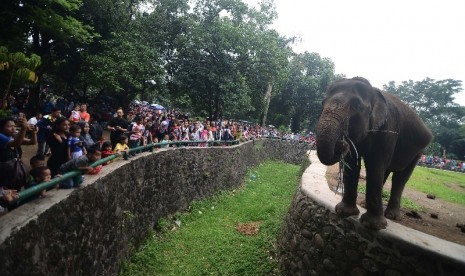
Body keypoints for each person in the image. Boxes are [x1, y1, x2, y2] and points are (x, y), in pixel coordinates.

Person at [0, 116, 37, 191]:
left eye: (14, 126)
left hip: (14, 171)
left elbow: (32, 142)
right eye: (9, 126)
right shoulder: (1, 137)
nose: (13, 128)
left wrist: (34, 133)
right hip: (3, 173)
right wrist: (23, 129)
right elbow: (16, 143)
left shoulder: (13, 136)